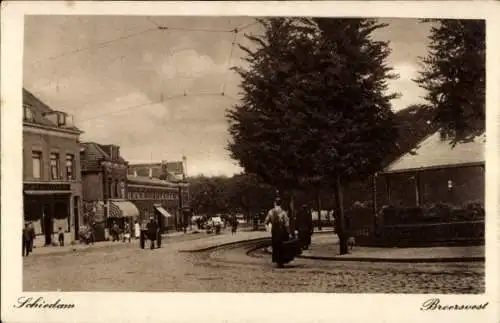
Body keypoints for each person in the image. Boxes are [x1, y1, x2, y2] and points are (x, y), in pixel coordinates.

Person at [264, 198, 291, 268]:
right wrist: (289, 232)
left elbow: (266, 221)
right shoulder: (283, 212)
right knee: (282, 246)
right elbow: (287, 224)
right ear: (281, 204)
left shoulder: (270, 212)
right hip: (282, 231)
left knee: (275, 246)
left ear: (275, 203)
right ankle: (281, 260)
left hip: (274, 231)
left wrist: (268, 229)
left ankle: (276, 259)